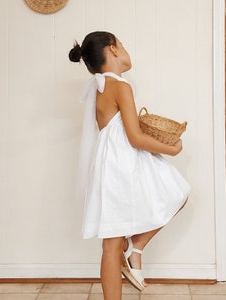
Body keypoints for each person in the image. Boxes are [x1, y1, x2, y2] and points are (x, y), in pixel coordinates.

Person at [69, 31, 190, 300]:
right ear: (112, 49)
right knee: (177, 193)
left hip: (110, 165)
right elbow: (135, 138)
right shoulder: (120, 86)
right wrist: (171, 149)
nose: (125, 50)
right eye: (122, 45)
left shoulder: (101, 87)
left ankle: (134, 248)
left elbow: (121, 133)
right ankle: (134, 249)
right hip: (122, 165)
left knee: (112, 243)